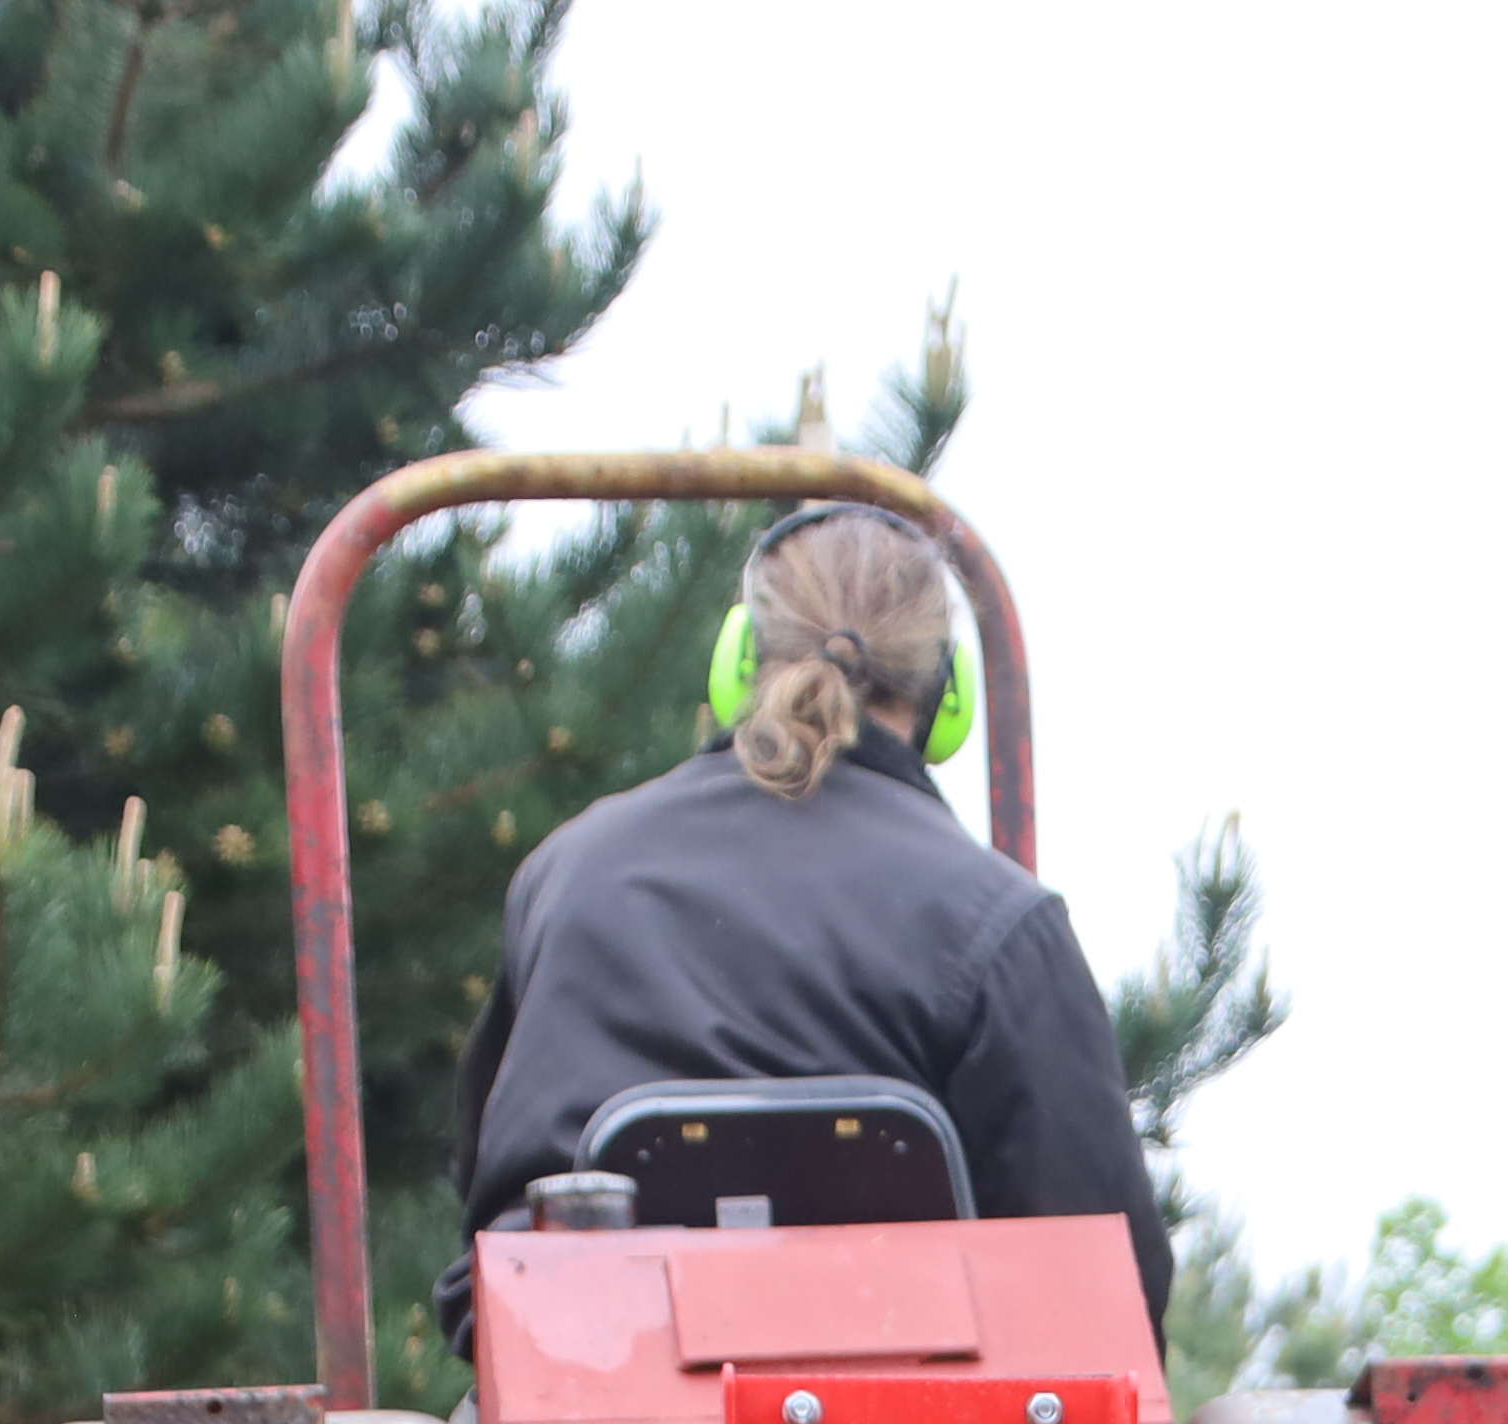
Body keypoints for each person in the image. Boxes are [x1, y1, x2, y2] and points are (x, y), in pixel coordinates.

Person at [447, 506, 1172, 1332]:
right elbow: (1108, 1290)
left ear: (737, 662)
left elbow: (484, 1199)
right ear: (949, 695)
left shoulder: (568, 870)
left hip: (576, 1402)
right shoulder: (1002, 920)